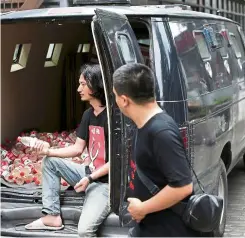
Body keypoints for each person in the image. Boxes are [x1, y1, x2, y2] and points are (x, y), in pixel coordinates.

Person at [112, 63, 202, 237]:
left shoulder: (161, 132)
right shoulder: (143, 126)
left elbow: (182, 187)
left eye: (114, 96)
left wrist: (143, 208)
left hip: (168, 230)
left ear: (124, 100)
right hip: (149, 227)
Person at [25, 64, 110, 237]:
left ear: (96, 85)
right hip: (87, 174)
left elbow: (118, 161)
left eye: (83, 84)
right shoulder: (88, 115)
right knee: (50, 163)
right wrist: (48, 151)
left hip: (105, 183)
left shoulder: (113, 117)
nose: (79, 89)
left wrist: (89, 178)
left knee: (85, 231)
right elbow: (78, 149)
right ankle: (52, 216)